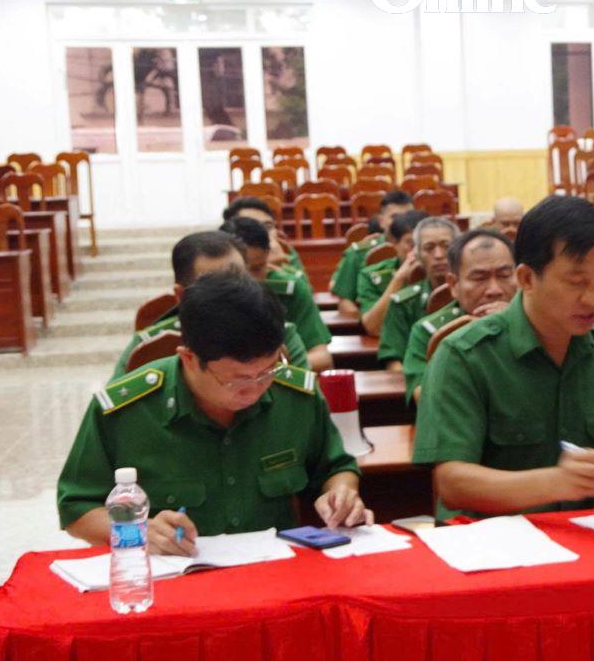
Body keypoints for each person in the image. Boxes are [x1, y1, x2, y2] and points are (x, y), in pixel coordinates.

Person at [413, 196, 594, 518]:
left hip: (585, 538)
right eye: (576, 282)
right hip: (491, 546)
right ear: (527, 279)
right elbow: (452, 482)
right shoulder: (464, 355)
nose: (593, 298)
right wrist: (555, 482)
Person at [57, 271, 370, 555]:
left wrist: (341, 492)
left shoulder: (297, 398)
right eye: (236, 379)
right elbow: (76, 508)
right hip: (172, 581)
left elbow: (336, 466)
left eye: (268, 371)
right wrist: (136, 531)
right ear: (189, 359)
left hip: (275, 575)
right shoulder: (127, 411)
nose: (256, 389)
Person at [113, 231, 308, 379]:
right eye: (215, 291)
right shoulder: (147, 348)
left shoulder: (282, 338)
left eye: (239, 283)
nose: (232, 298)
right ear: (182, 295)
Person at [401, 228, 516, 403]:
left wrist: (514, 325)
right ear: (454, 285)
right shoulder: (430, 330)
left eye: (505, 275)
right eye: (480, 278)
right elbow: (422, 395)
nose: (494, 290)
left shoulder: (541, 324)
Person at [221, 217, 333, 371]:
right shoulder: (207, 298)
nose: (249, 279)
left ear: (268, 257)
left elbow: (322, 357)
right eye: (240, 271)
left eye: (258, 268)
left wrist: (271, 369)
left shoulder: (291, 289)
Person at [375, 216, 457, 368]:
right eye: (429, 248)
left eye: (446, 246)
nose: (439, 255)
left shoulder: (476, 297)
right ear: (417, 253)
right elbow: (393, 361)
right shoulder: (403, 302)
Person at [329, 190, 413, 319]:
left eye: (408, 216)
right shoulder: (358, 253)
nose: (400, 222)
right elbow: (345, 302)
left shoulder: (423, 252)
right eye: (394, 217)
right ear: (381, 221)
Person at [356, 209, 428, 334]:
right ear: (394, 243)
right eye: (411, 244)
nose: (417, 251)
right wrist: (399, 279)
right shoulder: (371, 275)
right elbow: (372, 327)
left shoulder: (449, 273)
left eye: (426, 245)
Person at [223, 195, 304, 277]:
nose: (262, 232)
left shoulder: (286, 253)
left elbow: (305, 288)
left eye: (268, 226)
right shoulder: (224, 265)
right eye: (252, 226)